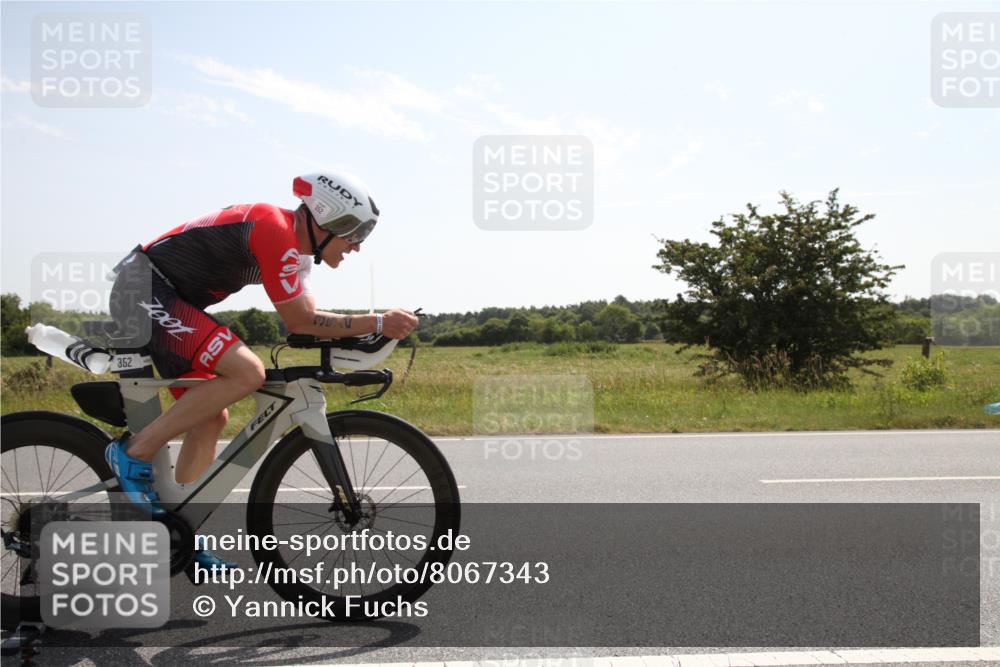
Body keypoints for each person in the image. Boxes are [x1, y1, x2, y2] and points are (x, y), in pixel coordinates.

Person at [105, 171, 417, 571]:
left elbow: (313, 323)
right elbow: (300, 320)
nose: (356, 248)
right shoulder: (275, 229)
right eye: (353, 235)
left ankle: (178, 527)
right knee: (247, 373)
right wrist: (375, 322)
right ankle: (132, 453)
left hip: (164, 296)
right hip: (143, 288)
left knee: (210, 416)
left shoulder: (299, 255)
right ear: (326, 221)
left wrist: (363, 337)